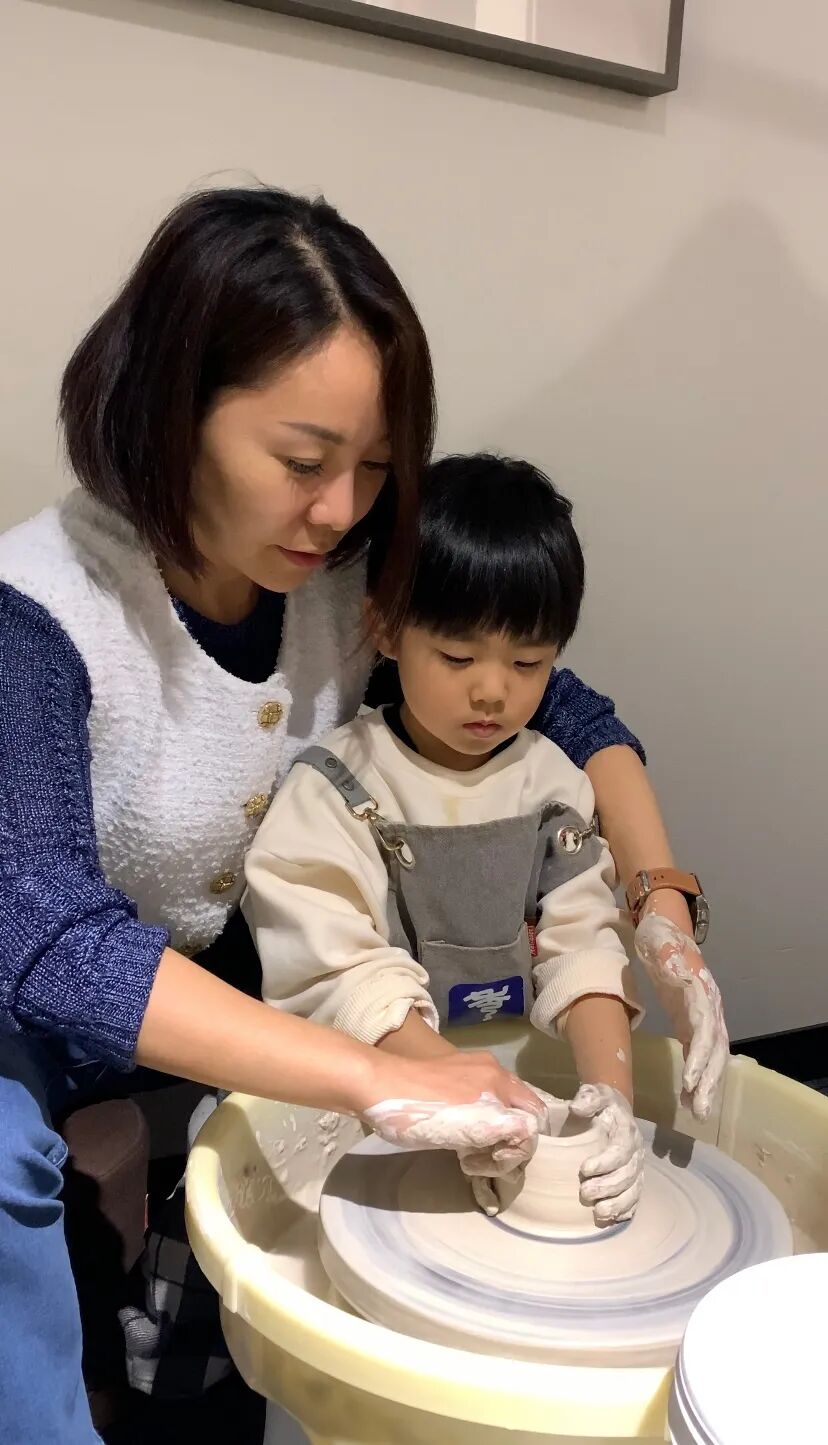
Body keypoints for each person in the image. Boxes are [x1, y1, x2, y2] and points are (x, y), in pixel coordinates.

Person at [0, 186, 725, 1444]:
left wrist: (660, 903)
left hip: (220, 973)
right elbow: (53, 940)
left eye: (375, 466)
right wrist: (381, 1074)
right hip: (30, 997)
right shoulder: (41, 615)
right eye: (303, 463)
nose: (342, 510)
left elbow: (571, 712)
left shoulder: (344, 570)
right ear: (172, 410)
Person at [243, 454, 718, 1227]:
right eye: (458, 657)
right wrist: (467, 1092)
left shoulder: (553, 781)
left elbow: (582, 946)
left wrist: (609, 1101)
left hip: (504, 1078)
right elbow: (342, 977)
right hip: (376, 1092)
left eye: (528, 662)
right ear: (385, 629)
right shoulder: (335, 785)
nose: (493, 689)